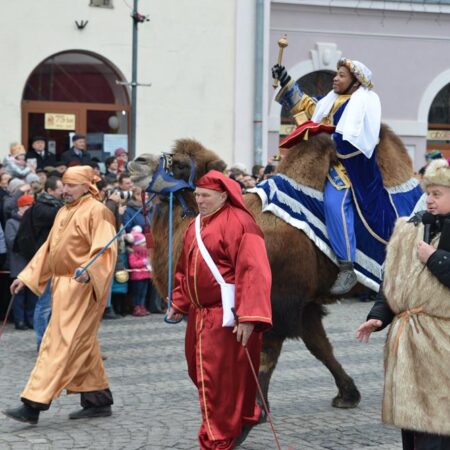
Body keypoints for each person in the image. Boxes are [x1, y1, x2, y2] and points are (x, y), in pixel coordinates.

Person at [2, 165, 117, 425]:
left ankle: (33, 403)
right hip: (61, 285)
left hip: (82, 286)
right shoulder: (64, 211)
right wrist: (28, 276)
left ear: (87, 186)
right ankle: (98, 400)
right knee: (82, 343)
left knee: (59, 342)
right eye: (64, 184)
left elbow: (106, 250)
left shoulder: (98, 212)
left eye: (71, 185)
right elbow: (49, 249)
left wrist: (90, 272)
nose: (65, 190)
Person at [167, 170, 272, 449]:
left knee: (218, 380)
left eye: (205, 195)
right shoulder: (195, 225)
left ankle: (217, 438)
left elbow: (254, 271)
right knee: (200, 373)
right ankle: (240, 417)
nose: (199, 200)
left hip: (227, 317)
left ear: (223, 196)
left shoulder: (241, 223)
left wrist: (249, 316)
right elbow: (184, 268)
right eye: (197, 195)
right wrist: (180, 301)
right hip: (200, 316)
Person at [272, 58, 396, 295]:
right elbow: (307, 109)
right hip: (317, 161)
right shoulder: (328, 102)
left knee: (333, 203)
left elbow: (358, 141)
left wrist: (326, 140)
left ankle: (346, 266)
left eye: (341, 75)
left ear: (355, 82)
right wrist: (286, 80)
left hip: (345, 170)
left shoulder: (362, 105)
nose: (335, 78)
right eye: (336, 74)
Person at [356, 158, 450, 449]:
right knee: (411, 425)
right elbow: (394, 281)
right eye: (428, 193)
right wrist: (379, 316)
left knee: (437, 423)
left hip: (442, 344)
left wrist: (434, 258)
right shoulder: (413, 229)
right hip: (409, 342)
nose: (429, 200)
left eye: (438, 194)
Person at [14, 176, 64, 348]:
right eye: (61, 188)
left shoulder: (46, 206)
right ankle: (42, 341)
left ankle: (51, 340)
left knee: (52, 303)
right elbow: (61, 216)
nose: (64, 191)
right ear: (50, 191)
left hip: (53, 259)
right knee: (44, 304)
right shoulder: (44, 209)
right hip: (45, 260)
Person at [4, 194, 37, 330]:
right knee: (19, 294)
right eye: (28, 205)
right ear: (21, 207)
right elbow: (11, 242)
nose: (30, 208)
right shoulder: (11, 223)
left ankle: (30, 319)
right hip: (18, 262)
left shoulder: (33, 221)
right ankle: (19, 320)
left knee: (32, 294)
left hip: (32, 263)